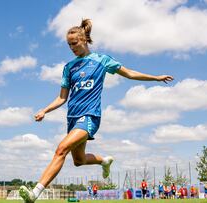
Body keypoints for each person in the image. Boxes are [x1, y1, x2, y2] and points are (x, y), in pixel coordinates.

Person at [18, 19, 174, 203]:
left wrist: (155, 78)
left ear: (84, 40)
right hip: (73, 118)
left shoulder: (102, 60)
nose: (72, 48)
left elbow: (130, 73)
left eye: (74, 43)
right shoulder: (68, 67)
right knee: (78, 160)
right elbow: (62, 98)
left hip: (90, 116)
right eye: (69, 45)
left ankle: (35, 193)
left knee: (61, 149)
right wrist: (44, 110)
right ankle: (104, 161)